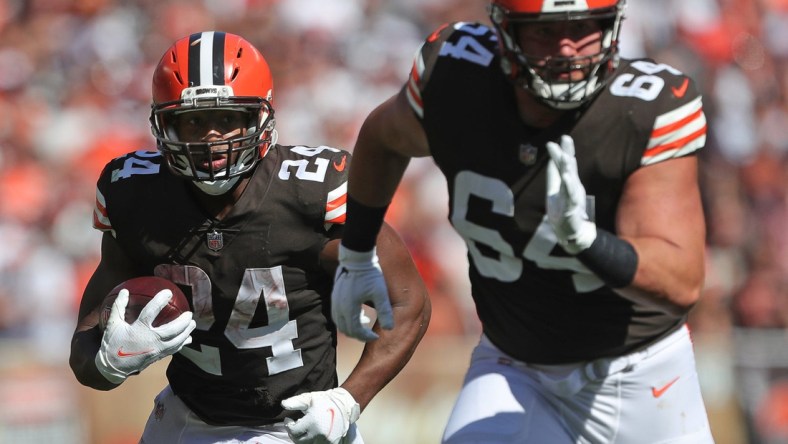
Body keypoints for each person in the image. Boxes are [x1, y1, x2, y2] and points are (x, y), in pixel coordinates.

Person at [331, 1, 715, 442]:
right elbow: (383, 138)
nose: (568, 49)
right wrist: (356, 251)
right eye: (546, 31)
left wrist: (590, 243)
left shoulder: (643, 108)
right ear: (506, 32)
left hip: (640, 370)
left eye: (586, 27)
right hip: (516, 365)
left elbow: (681, 281)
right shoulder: (457, 77)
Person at [69, 31, 430, 444]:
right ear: (164, 124)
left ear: (260, 118)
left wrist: (348, 399)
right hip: (188, 419)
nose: (211, 138)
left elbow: (406, 303)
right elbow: (85, 358)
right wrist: (109, 362)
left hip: (297, 422)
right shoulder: (133, 193)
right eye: (193, 121)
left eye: (227, 119)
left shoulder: (312, 193)